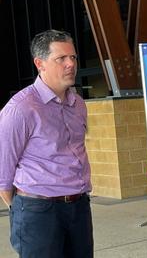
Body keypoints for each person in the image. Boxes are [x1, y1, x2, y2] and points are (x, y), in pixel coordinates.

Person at [0, 29, 93, 258]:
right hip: (38, 211)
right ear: (39, 63)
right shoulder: (21, 108)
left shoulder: (78, 105)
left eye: (73, 57)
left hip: (79, 207)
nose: (70, 64)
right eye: (61, 58)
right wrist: (25, 208)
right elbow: (3, 173)